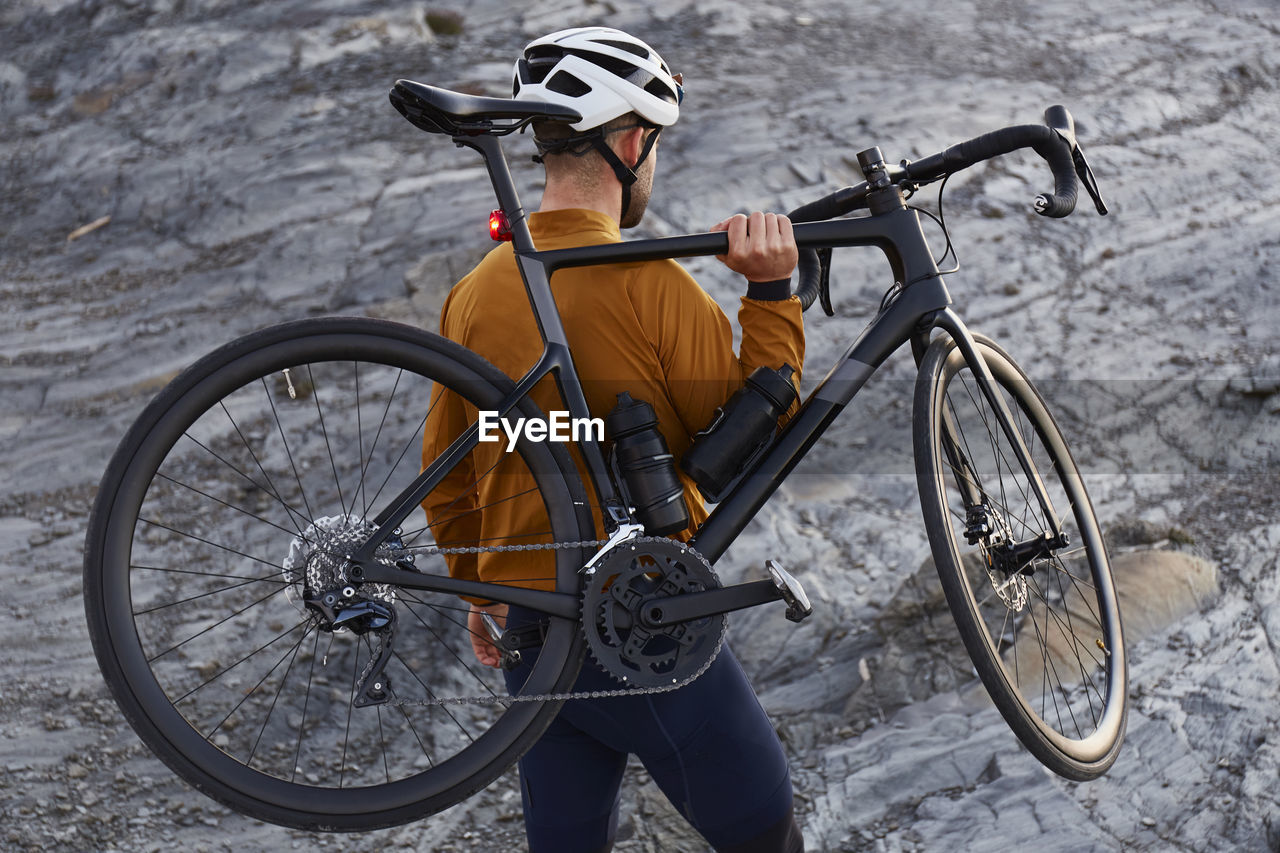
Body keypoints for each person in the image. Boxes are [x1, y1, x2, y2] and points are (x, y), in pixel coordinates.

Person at [421, 26, 805, 853]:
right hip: (643, 634)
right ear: (632, 142)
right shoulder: (653, 284)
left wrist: (477, 588)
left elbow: (446, 473)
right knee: (767, 838)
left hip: (530, 635)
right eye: (655, 145)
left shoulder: (472, 294)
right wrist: (772, 290)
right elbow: (754, 422)